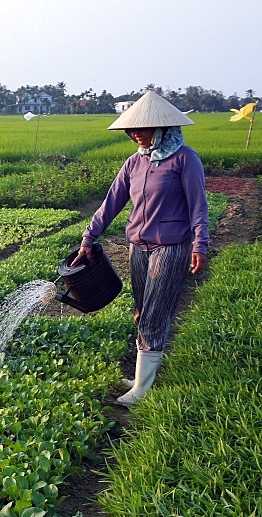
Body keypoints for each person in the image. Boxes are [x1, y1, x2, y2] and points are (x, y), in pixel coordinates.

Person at [72, 90, 210, 406]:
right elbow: (111, 204)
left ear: (161, 129)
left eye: (142, 130)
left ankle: (142, 389)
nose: (136, 135)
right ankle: (140, 376)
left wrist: (200, 245)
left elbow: (198, 206)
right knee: (141, 310)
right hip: (139, 246)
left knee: (154, 313)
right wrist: (88, 238)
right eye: (132, 131)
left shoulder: (185, 159)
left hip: (172, 246)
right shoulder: (135, 162)